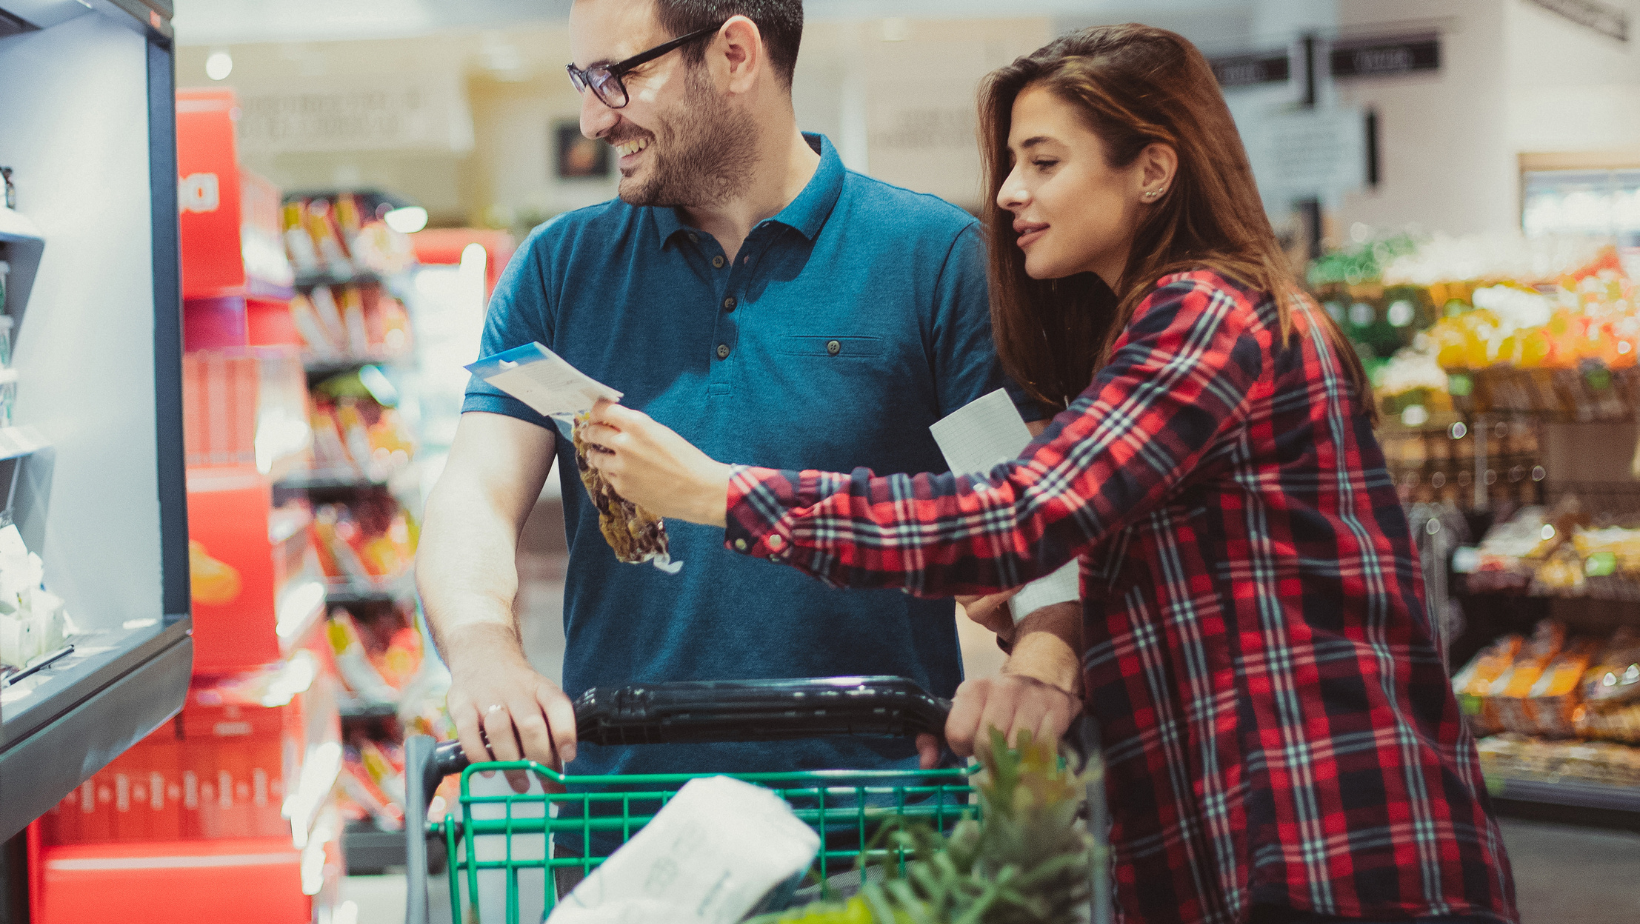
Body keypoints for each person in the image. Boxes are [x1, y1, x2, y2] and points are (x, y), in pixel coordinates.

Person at [580, 23, 1519, 924]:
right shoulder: (1146, 335)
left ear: (1152, 168)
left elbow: (1020, 511)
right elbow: (1117, 554)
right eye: (1010, 165)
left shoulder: (1210, 315)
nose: (1008, 195)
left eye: (1044, 161)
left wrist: (719, 494)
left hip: (1329, 848)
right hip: (1239, 851)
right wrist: (1045, 645)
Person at [415, 0, 1070, 880]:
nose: (592, 117)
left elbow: (1025, 510)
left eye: (619, 76)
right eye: (586, 81)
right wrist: (486, 651)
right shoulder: (561, 269)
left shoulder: (932, 262)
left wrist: (1039, 658)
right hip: (626, 833)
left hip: (876, 840)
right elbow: (477, 494)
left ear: (733, 54)